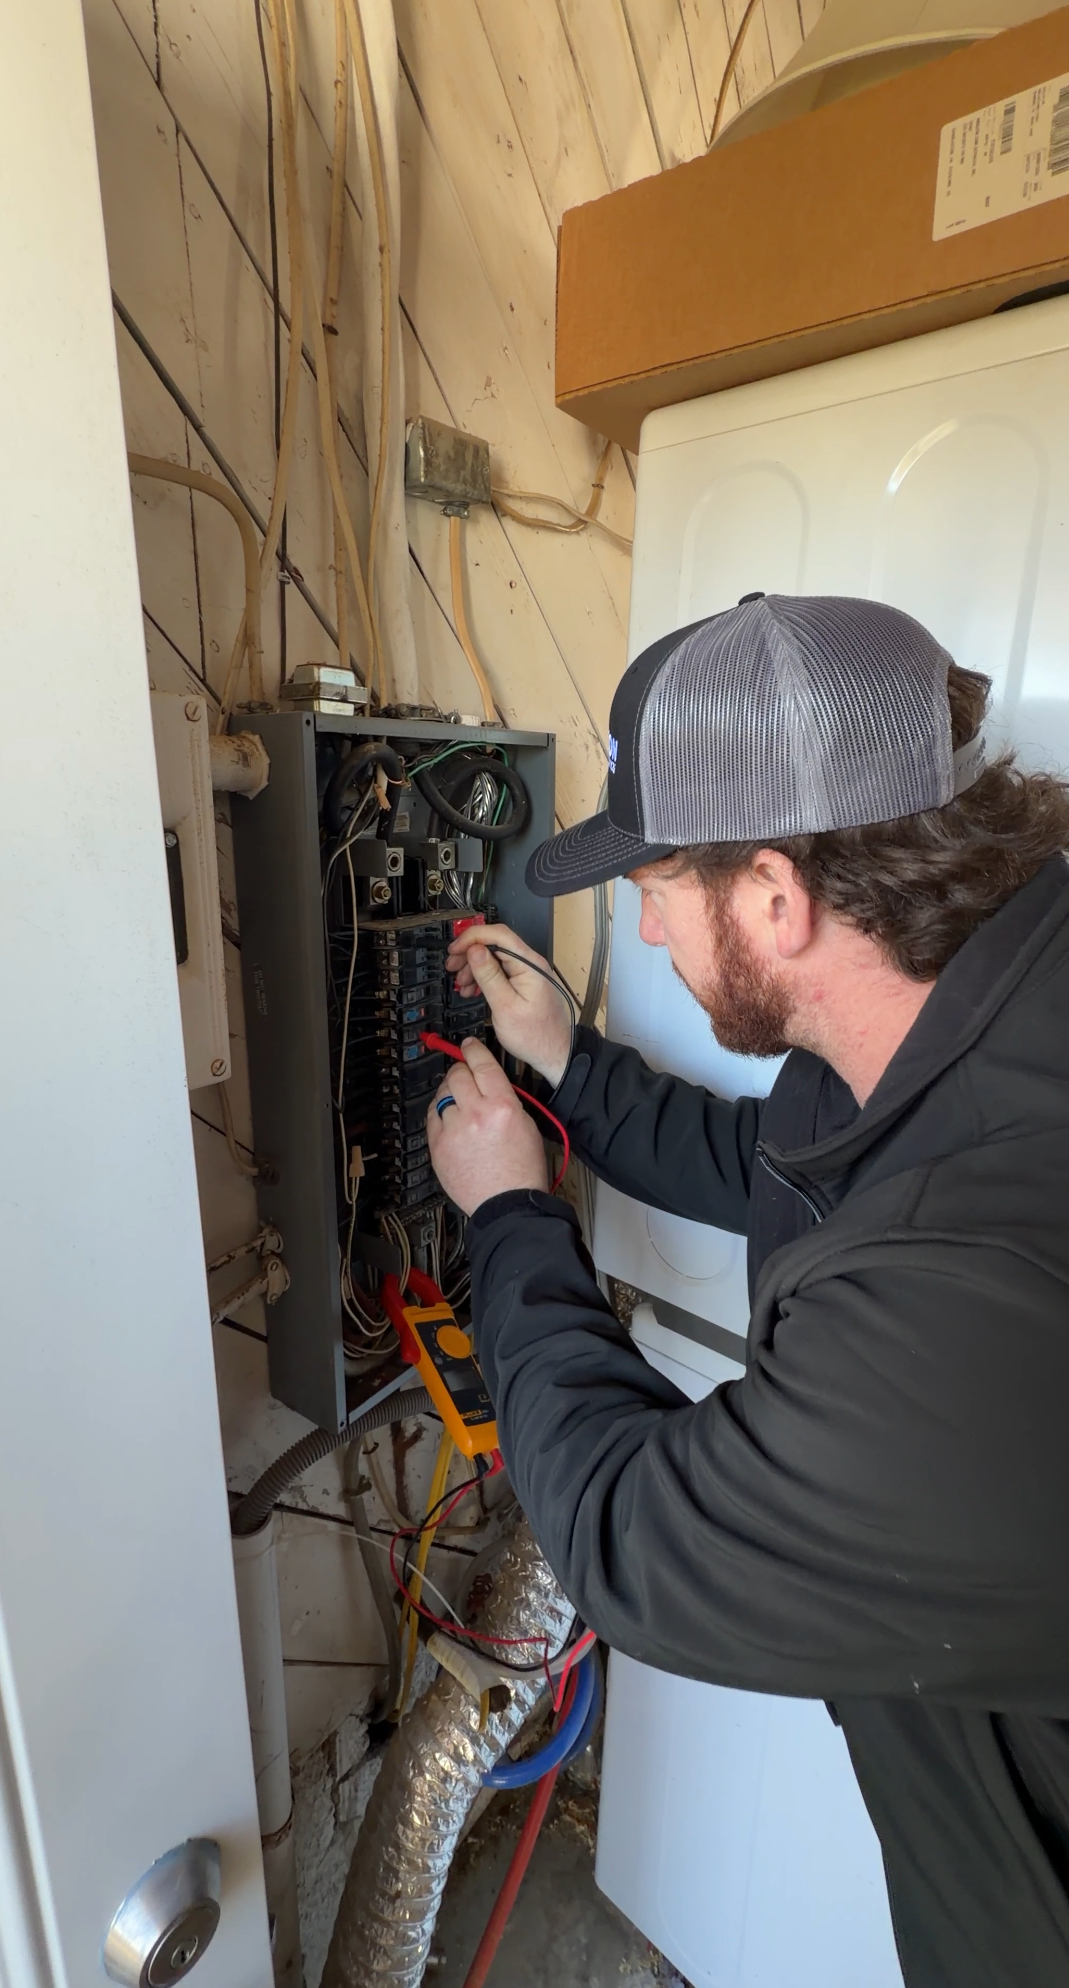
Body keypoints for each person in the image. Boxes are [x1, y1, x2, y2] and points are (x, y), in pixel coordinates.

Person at [424, 593, 1069, 1988]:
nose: (646, 937)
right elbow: (777, 1161)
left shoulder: (971, 1305)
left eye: (656, 894)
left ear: (775, 897)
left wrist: (513, 1214)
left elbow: (627, 1532)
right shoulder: (972, 996)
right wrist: (570, 1070)